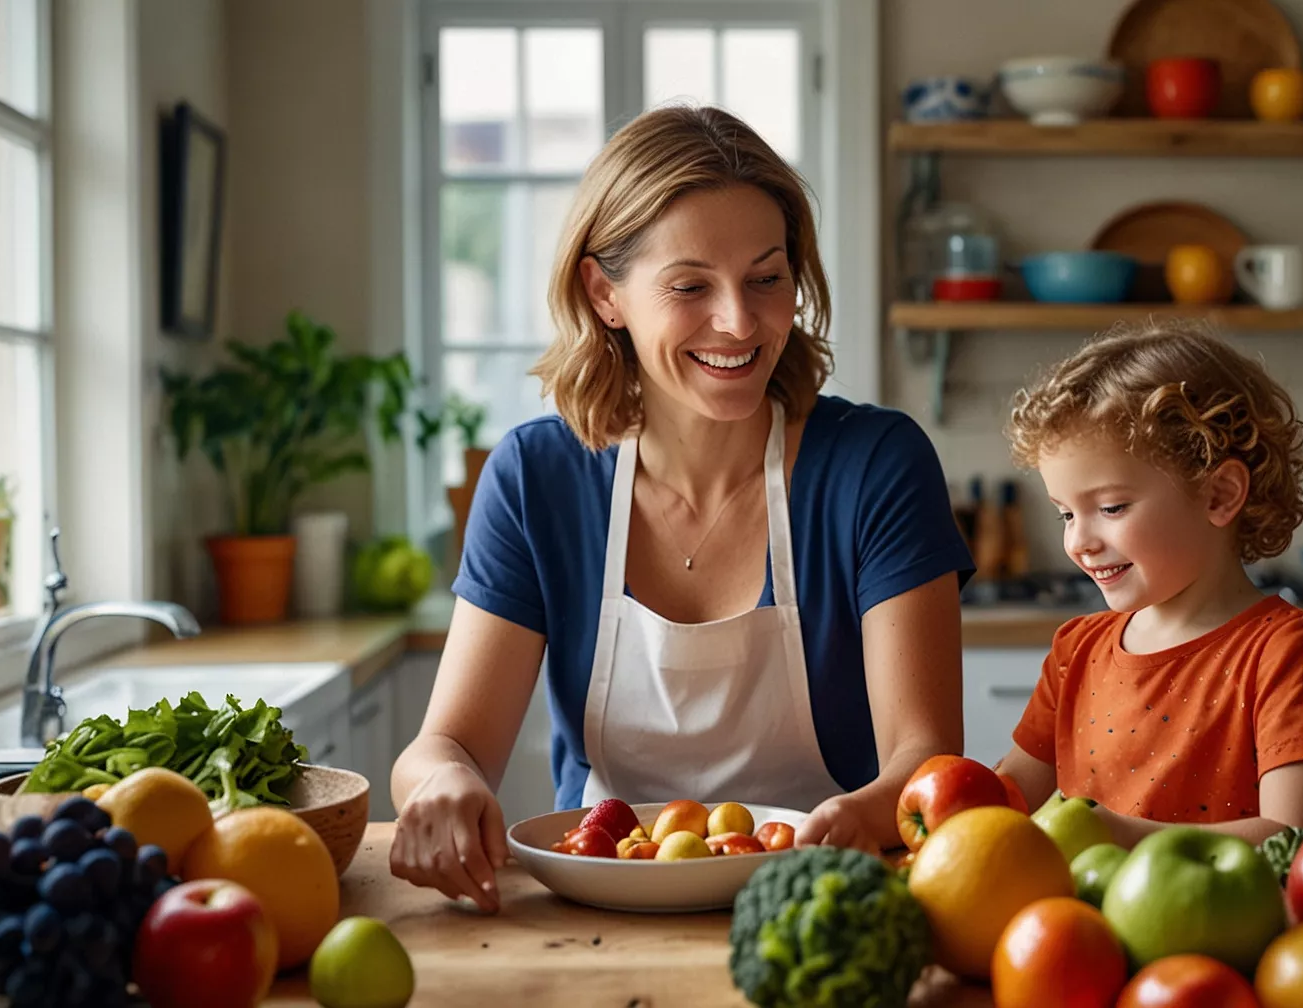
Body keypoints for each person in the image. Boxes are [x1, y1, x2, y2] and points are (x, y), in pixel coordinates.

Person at [389, 105, 974, 911]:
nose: (738, 322)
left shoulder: (875, 466)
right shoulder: (536, 477)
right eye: (690, 285)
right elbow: (443, 745)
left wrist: (863, 814)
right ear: (605, 294)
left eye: (767, 279)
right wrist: (443, 784)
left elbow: (928, 759)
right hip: (596, 910)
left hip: (826, 901)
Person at [992, 323, 1303, 848]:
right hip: (1082, 929)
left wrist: (1118, 836)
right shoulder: (1077, 652)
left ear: (1219, 495)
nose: (1079, 542)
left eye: (1111, 507)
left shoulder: (1286, 653)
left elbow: (1300, 839)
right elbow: (1003, 803)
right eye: (1066, 514)